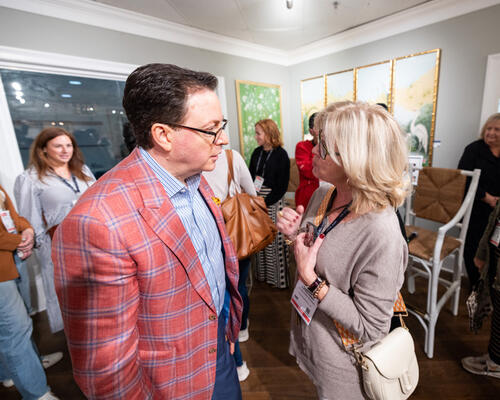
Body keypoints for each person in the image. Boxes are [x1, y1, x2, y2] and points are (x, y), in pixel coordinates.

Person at [52, 63, 243, 399]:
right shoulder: (97, 222)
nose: (224, 138)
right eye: (211, 128)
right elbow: (106, 369)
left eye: (221, 124)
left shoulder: (195, 179)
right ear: (163, 135)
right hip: (170, 383)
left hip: (218, 348)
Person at [277, 102, 409, 399]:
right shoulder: (325, 193)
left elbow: (371, 326)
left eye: (322, 146)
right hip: (314, 338)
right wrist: (293, 236)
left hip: (345, 364)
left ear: (354, 159)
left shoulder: (382, 232)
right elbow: (314, 254)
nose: (313, 150)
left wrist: (312, 281)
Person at [14, 127, 96, 333]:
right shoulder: (31, 179)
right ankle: (74, 340)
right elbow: (29, 219)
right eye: (58, 146)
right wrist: (44, 248)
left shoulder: (82, 170)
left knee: (96, 292)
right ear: (43, 149)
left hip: (92, 240)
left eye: (68, 145)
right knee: (66, 296)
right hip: (58, 245)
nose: (64, 150)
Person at [0, 184, 61, 400]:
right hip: (4, 265)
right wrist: (23, 240)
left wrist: (26, 229)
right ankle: (36, 393)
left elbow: (12, 216)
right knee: (15, 329)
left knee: (15, 323)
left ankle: (13, 371)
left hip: (13, 258)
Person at [203, 148, 254, 382]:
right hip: (239, 233)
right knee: (238, 286)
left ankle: (237, 355)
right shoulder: (232, 156)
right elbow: (251, 192)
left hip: (213, 237)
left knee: (224, 296)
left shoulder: (192, 162)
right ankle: (241, 328)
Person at [458, 113, 500, 288]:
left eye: (497, 129)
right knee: (472, 250)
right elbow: (463, 179)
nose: (491, 132)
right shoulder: (473, 149)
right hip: (474, 211)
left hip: (497, 214)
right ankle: (477, 287)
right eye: (488, 128)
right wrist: (486, 197)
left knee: (493, 251)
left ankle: (489, 287)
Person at [249, 119, 290, 288]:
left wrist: (265, 202)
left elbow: (282, 186)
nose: (256, 136)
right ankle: (262, 276)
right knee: (261, 240)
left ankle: (277, 281)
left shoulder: (281, 155)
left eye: (259, 133)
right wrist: (254, 200)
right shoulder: (256, 153)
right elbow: (251, 177)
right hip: (257, 200)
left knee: (274, 241)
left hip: (274, 202)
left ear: (269, 133)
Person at [462, 200, 500, 378]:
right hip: (495, 258)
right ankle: (495, 358)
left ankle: (495, 364)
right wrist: (482, 253)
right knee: (497, 310)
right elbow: (494, 221)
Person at [295, 113, 319, 210]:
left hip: (330, 195)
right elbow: (308, 171)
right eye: (319, 128)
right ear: (311, 131)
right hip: (307, 197)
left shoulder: (333, 148)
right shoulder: (302, 146)